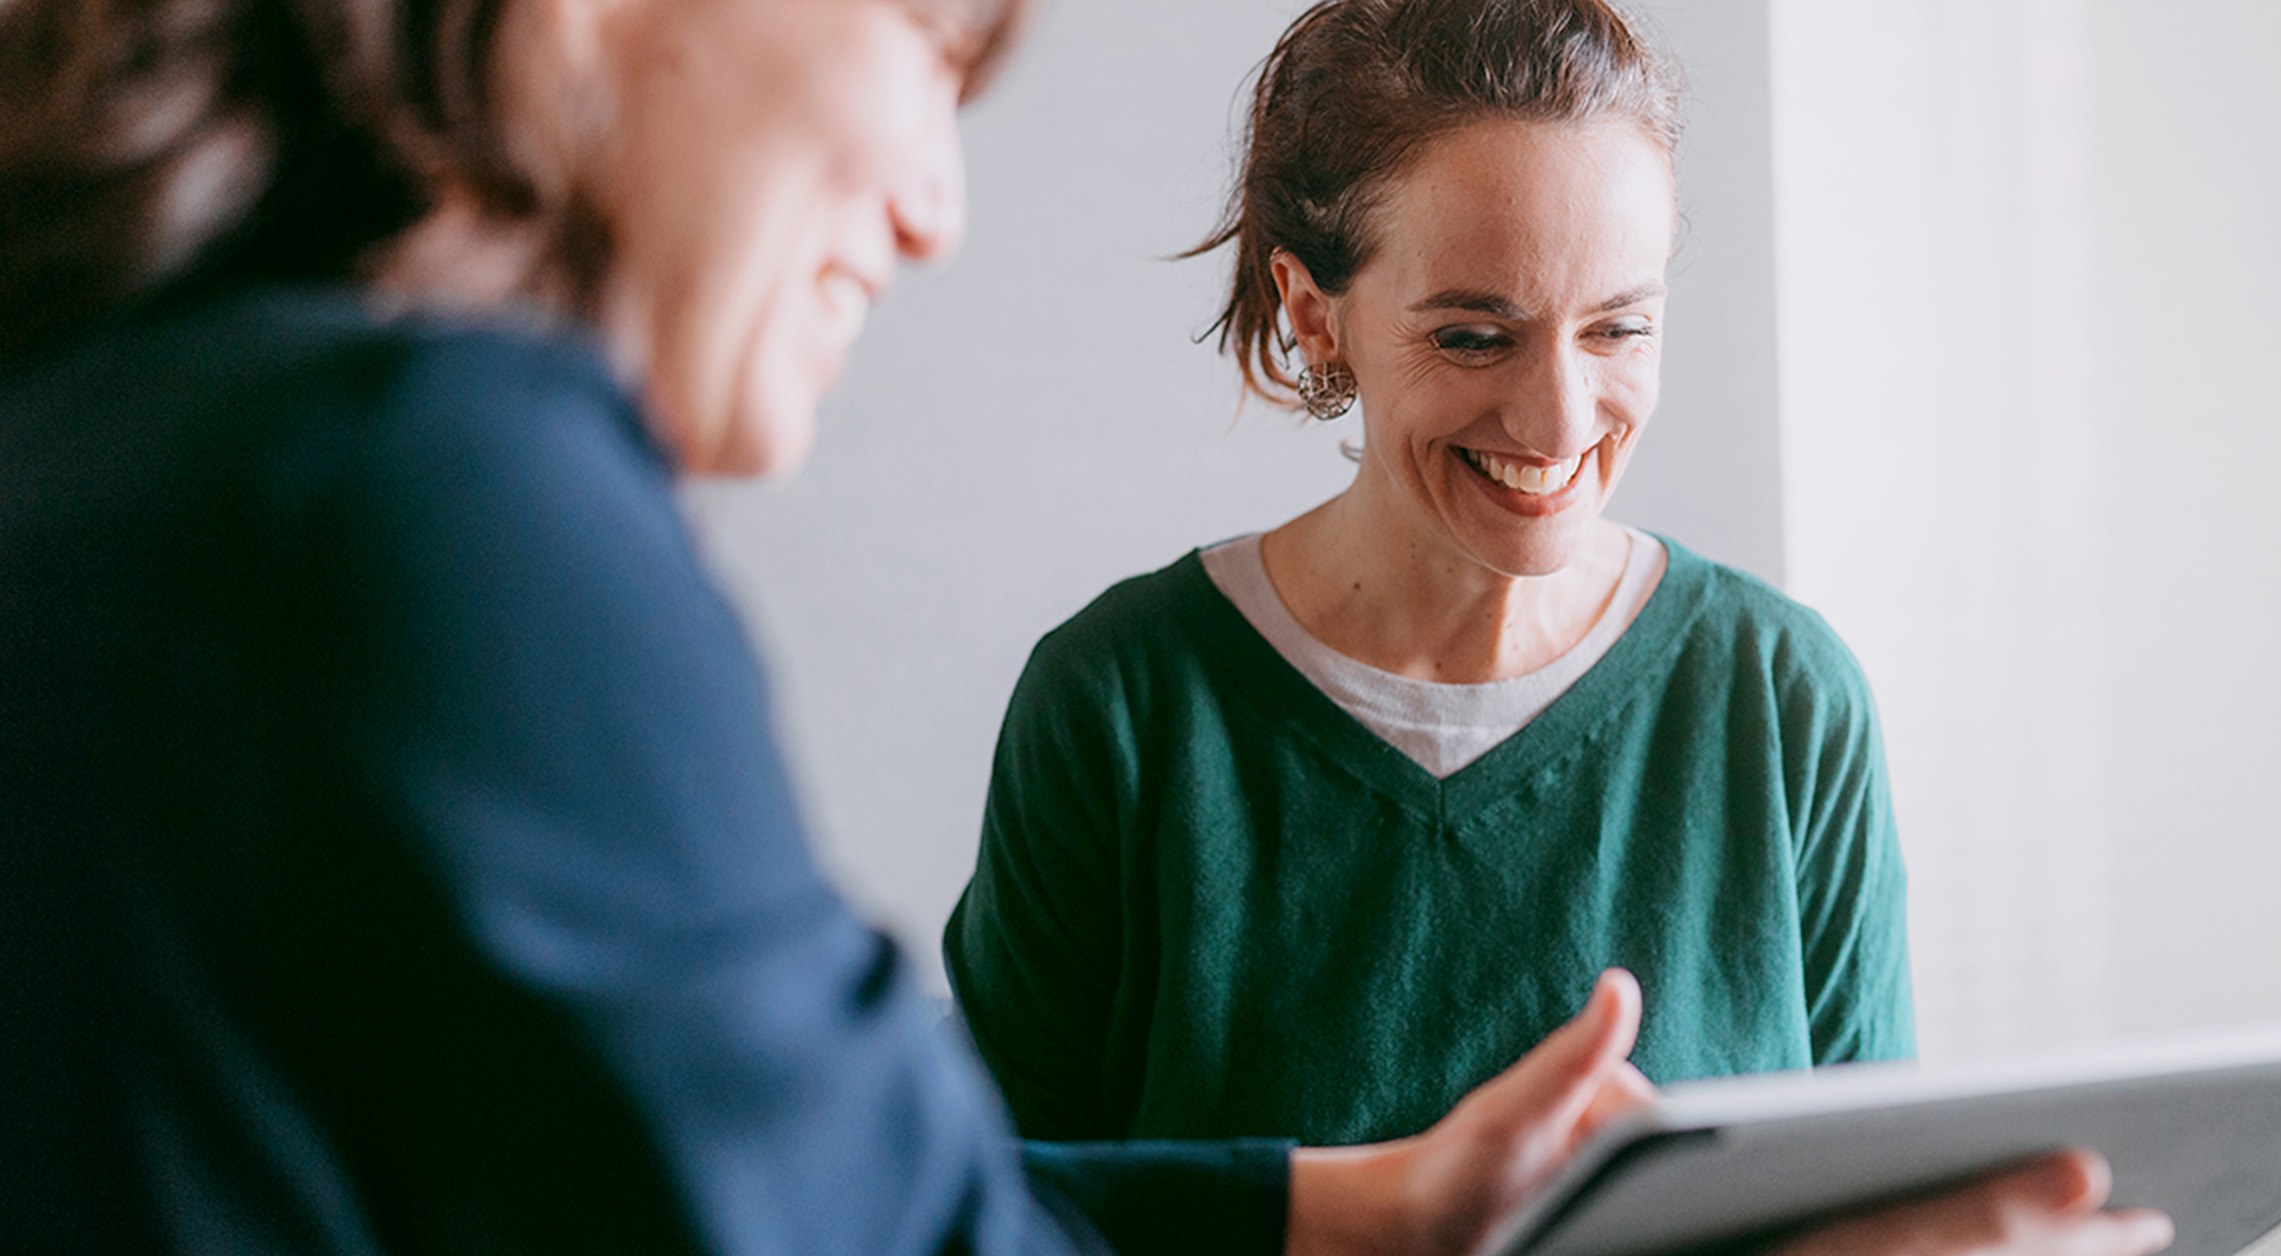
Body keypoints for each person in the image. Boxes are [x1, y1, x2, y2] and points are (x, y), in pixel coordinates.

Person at [0, 0, 2169, 1253]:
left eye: (1621, 327)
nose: (938, 201)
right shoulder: (434, 497)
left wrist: (1381, 1214)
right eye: (921, 39)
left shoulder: (134, 438)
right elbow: (900, 1218)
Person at [944, 0, 1909, 1149]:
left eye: (1617, 330)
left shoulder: (1783, 696)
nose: (1558, 418)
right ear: (1315, 315)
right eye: (1474, 336)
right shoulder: (1121, 705)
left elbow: (1881, 1202)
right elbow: (980, 1210)